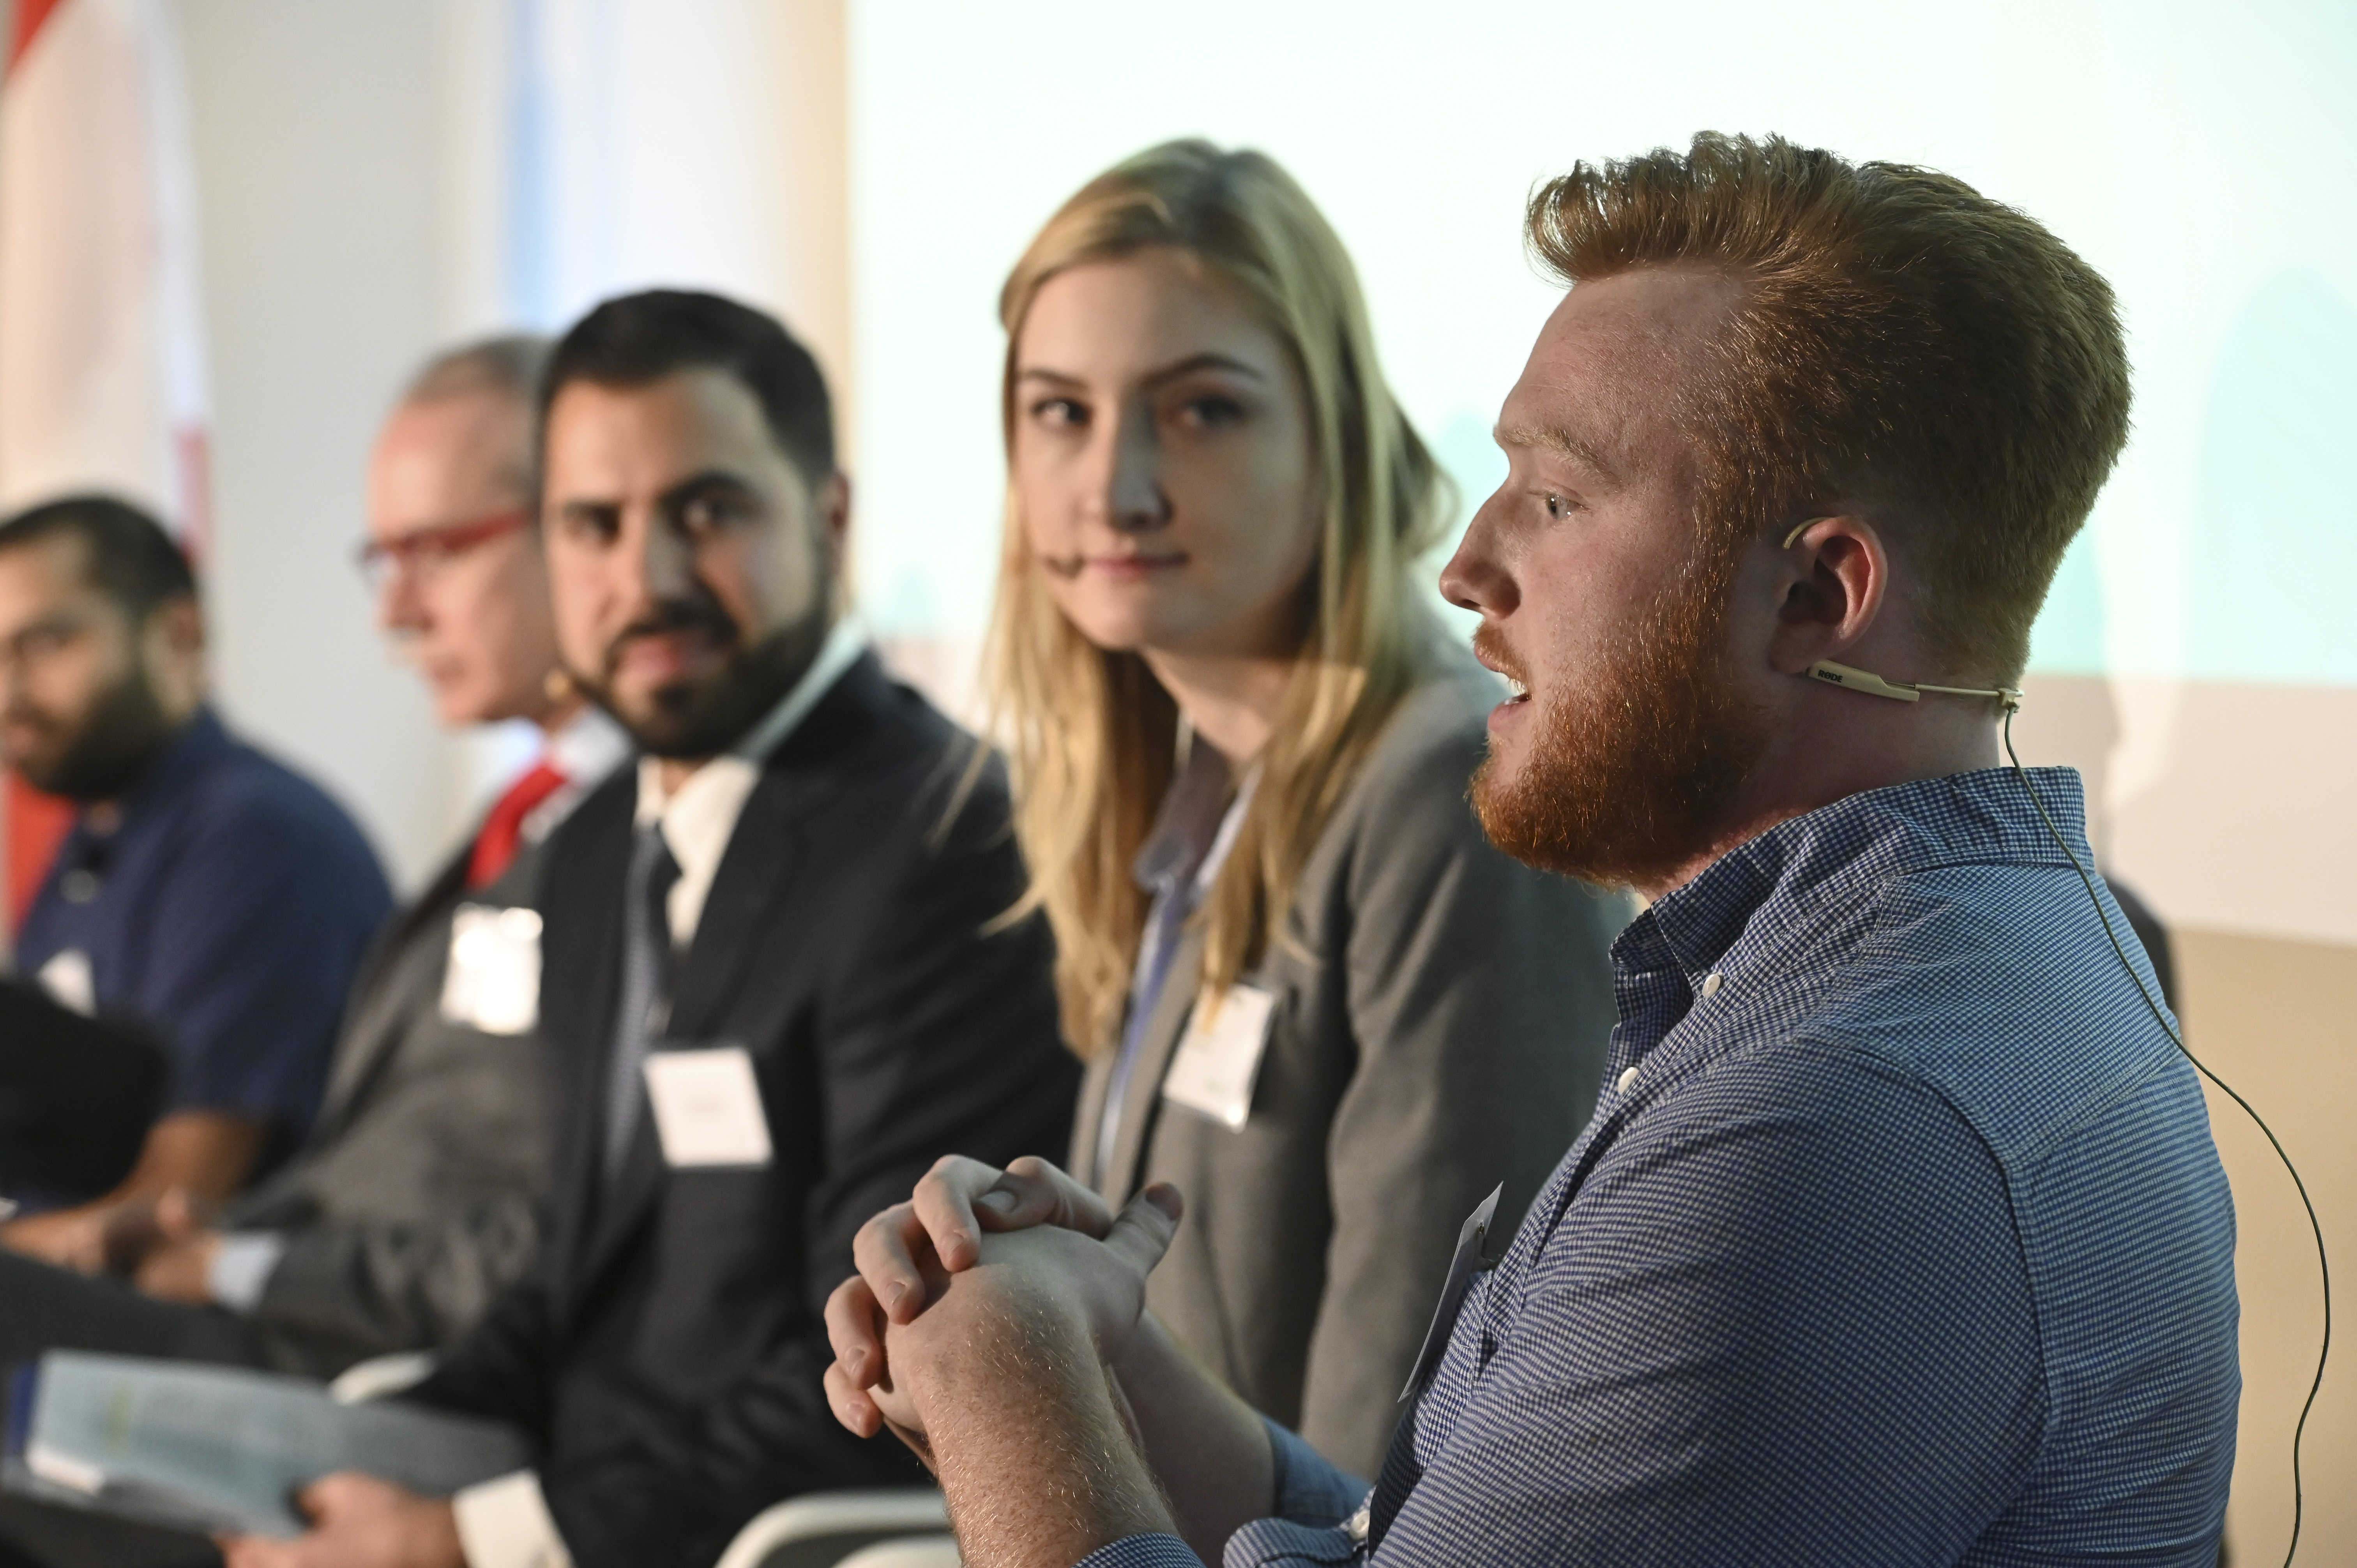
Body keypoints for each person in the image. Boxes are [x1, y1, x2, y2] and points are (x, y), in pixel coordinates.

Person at [821, 133, 2240, 1566]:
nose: (1462, 564)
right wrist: (1105, 1355)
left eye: (1554, 499)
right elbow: (1421, 1526)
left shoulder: (1825, 1130)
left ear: (1815, 592)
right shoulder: (1884, 978)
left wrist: (1010, 1388)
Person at [223, 290, 1077, 1568]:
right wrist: (364, 1454)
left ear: (828, 515)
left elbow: (886, 1363)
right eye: (594, 525)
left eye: (709, 511)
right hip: (573, 1489)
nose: (647, 577)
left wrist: (468, 1538)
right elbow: (572, 1273)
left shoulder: (939, 841)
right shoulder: (586, 846)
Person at [982, 141, 1622, 1476]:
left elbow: (1408, 1460)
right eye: (1059, 412)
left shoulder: (1448, 796)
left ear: (1334, 432)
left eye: (1200, 409)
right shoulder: (1178, 800)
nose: (1115, 487)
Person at [0, 335, 632, 1381]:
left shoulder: (256, 839)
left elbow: (544, 1226)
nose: (394, 609)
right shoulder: (529, 821)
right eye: (387, 561)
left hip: (379, 1362)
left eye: (438, 551)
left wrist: (231, 1265)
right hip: (299, 1301)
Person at [0, 497, 391, 1253]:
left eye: (46, 642)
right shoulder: (83, 853)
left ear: (178, 633)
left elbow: (174, 1210)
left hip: (226, 1336)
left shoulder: (253, 837)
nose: (11, 691)